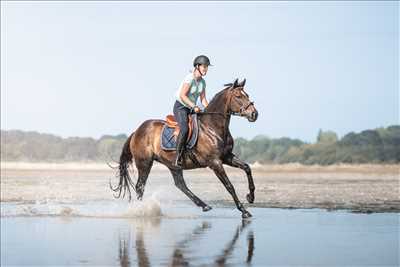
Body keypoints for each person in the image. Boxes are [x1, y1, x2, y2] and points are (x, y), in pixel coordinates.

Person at [172, 55, 212, 168]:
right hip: (181, 107)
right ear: (197, 66)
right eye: (204, 66)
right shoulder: (189, 78)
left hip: (192, 108)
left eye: (207, 67)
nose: (206, 69)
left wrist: (209, 111)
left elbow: (203, 100)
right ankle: (178, 156)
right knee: (184, 129)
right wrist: (194, 106)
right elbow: (182, 95)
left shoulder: (203, 83)